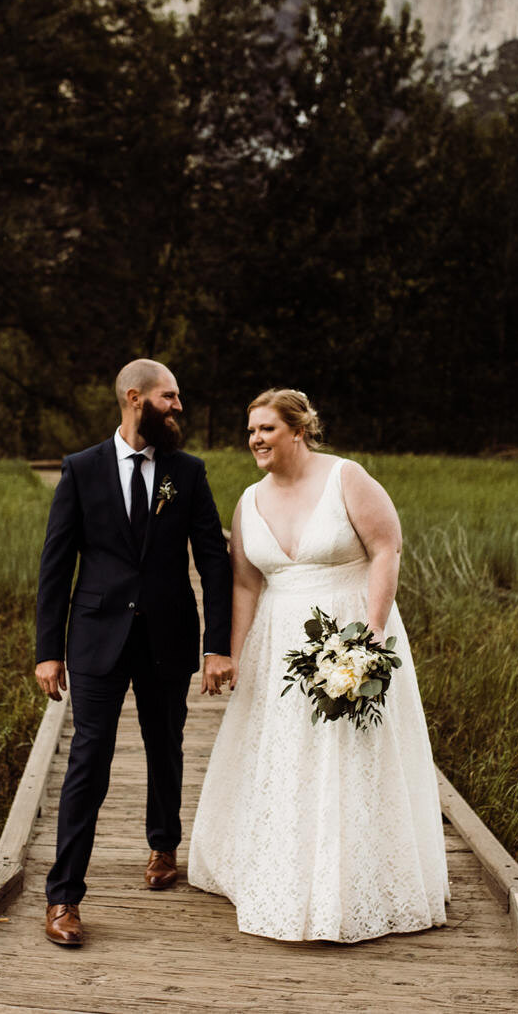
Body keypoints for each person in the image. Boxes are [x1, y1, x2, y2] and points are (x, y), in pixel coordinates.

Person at [188, 388, 449, 942]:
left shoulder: (345, 478)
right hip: (278, 643)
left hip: (350, 630)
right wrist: (230, 654)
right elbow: (244, 583)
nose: (255, 439)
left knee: (350, 756)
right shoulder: (248, 501)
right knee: (288, 758)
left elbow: (387, 549)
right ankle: (283, 870)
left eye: (267, 429)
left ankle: (352, 882)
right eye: (251, 430)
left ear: (298, 430)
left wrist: (370, 639)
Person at [34, 359, 233, 946]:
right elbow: (56, 564)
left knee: (165, 742)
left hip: (168, 635)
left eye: (178, 398)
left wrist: (216, 644)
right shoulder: (82, 469)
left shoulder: (187, 473)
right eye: (169, 397)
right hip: (95, 636)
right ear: (134, 397)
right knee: (88, 761)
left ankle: (163, 844)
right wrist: (49, 651)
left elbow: (214, 562)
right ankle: (63, 897)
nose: (178, 407)